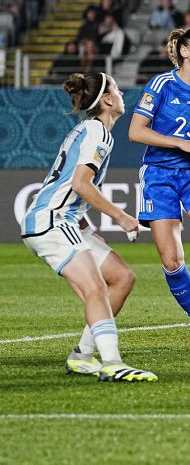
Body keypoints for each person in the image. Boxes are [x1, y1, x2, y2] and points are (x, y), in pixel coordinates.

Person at [20, 72, 156, 382]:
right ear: (107, 100)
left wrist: (86, 228)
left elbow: (69, 182)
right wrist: (121, 218)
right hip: (52, 222)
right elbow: (81, 184)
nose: (121, 94)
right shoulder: (99, 133)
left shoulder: (89, 130)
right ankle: (112, 363)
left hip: (64, 221)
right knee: (95, 288)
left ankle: (82, 356)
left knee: (121, 277)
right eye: (117, 89)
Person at [128, 27, 190, 351]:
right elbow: (136, 132)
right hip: (159, 176)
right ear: (184, 51)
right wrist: (181, 143)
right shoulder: (160, 85)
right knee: (172, 261)